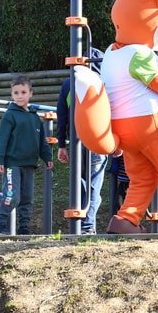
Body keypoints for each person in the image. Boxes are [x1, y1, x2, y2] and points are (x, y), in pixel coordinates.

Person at [0, 75, 54, 236]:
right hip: (12, 164)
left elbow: (41, 141)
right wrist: (0, 160)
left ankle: (24, 227)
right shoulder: (10, 115)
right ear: (12, 95)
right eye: (16, 93)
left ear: (30, 94)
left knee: (27, 198)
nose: (20, 96)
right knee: (12, 195)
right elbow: (2, 139)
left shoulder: (34, 117)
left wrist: (47, 157)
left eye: (23, 92)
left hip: (29, 164)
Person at [57, 73, 107, 235]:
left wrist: (61, 144)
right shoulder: (102, 81)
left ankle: (81, 224)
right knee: (93, 184)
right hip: (98, 139)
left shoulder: (69, 83)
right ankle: (87, 225)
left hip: (77, 141)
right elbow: (111, 111)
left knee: (81, 184)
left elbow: (62, 115)